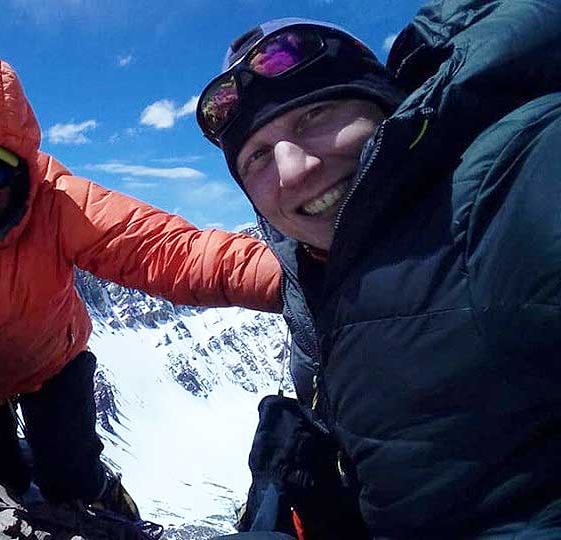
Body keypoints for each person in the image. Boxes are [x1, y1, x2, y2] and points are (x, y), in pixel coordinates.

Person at [0, 54, 283, 526]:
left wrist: (293, 276)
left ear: (20, 168)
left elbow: (165, 251)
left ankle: (104, 489)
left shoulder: (55, 200)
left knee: (72, 479)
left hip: (54, 365)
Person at [196, 2, 561, 538]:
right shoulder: (311, 268)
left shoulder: (503, 187)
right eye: (257, 157)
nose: (293, 170)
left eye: (315, 116)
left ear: (386, 106)